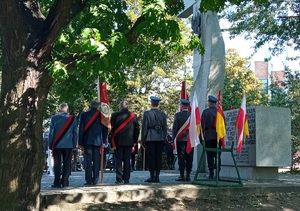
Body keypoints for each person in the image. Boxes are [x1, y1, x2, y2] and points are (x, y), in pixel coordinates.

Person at [78, 100, 108, 185]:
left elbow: (81, 129)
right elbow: (105, 128)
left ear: (89, 106)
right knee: (96, 160)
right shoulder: (101, 115)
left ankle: (88, 180)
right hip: (98, 141)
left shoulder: (84, 115)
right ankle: (95, 179)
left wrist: (80, 142)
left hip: (87, 141)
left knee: (88, 161)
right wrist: (104, 140)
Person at [110, 100, 140, 184]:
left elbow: (111, 129)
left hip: (117, 141)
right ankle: (126, 179)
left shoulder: (115, 115)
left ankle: (119, 179)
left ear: (120, 106)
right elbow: (137, 129)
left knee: (118, 160)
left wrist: (110, 140)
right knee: (127, 160)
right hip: (129, 141)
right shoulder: (133, 116)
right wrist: (135, 140)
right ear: (128, 106)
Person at [48, 103, 78, 188]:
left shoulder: (54, 118)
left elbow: (51, 133)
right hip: (68, 144)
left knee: (57, 163)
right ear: (67, 109)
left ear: (59, 109)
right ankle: (65, 182)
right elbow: (75, 132)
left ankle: (56, 182)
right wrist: (74, 144)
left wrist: (50, 144)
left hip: (57, 144)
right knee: (67, 163)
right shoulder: (72, 118)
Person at [142, 96, 167, 183]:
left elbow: (144, 127)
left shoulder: (147, 114)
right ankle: (157, 176)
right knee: (158, 157)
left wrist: (143, 140)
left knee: (151, 157)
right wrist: (164, 138)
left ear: (151, 103)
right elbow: (165, 128)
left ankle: (152, 175)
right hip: (160, 137)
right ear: (158, 104)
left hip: (150, 137)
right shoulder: (162, 114)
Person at [172, 99, 193, 182]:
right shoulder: (192, 115)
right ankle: (188, 175)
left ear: (183, 106)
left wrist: (174, 139)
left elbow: (175, 129)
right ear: (187, 106)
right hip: (190, 139)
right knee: (189, 157)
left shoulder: (177, 115)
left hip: (180, 138)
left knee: (181, 157)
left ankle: (181, 175)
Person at [201, 95, 221, 179]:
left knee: (209, 155)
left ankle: (211, 173)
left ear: (209, 103)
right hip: (218, 136)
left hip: (208, 136)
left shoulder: (206, 112)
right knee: (217, 155)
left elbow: (202, 126)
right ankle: (218, 173)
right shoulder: (220, 112)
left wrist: (201, 138)